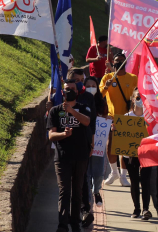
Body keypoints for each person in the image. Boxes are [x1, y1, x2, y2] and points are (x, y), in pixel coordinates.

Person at [47, 79, 91, 232]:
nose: (69, 91)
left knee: (77, 191)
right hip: (62, 157)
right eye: (67, 89)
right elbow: (51, 136)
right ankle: (63, 225)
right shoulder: (55, 111)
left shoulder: (84, 108)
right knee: (64, 191)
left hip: (80, 156)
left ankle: (75, 223)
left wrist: (72, 112)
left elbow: (86, 122)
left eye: (72, 89)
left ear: (77, 92)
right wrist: (63, 135)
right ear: (62, 92)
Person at [100, 52, 138, 187]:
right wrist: (106, 86)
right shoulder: (107, 77)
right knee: (110, 146)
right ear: (113, 62)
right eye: (117, 60)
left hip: (128, 117)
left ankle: (123, 175)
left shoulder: (133, 78)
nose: (119, 62)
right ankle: (114, 172)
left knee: (126, 148)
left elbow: (138, 96)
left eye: (122, 60)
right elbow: (99, 96)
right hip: (112, 117)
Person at [66, 69, 97, 227]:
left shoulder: (88, 97)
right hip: (65, 144)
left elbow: (92, 123)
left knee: (82, 179)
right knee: (66, 182)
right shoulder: (63, 96)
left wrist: (92, 143)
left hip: (83, 143)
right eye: (75, 80)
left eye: (81, 80)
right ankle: (68, 215)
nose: (78, 82)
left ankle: (85, 211)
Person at [123, 88, 153, 220]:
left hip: (146, 155)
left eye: (142, 98)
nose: (140, 100)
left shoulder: (150, 118)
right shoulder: (126, 118)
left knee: (146, 181)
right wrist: (116, 129)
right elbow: (121, 138)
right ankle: (136, 209)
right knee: (134, 181)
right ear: (133, 100)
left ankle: (146, 209)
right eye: (137, 98)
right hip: (130, 156)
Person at [84, 76, 109, 211]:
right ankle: (88, 201)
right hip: (85, 141)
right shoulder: (81, 102)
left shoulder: (101, 103)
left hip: (98, 143)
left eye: (93, 85)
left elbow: (105, 116)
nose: (91, 88)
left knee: (98, 172)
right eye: (88, 85)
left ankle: (96, 191)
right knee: (86, 173)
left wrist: (106, 119)